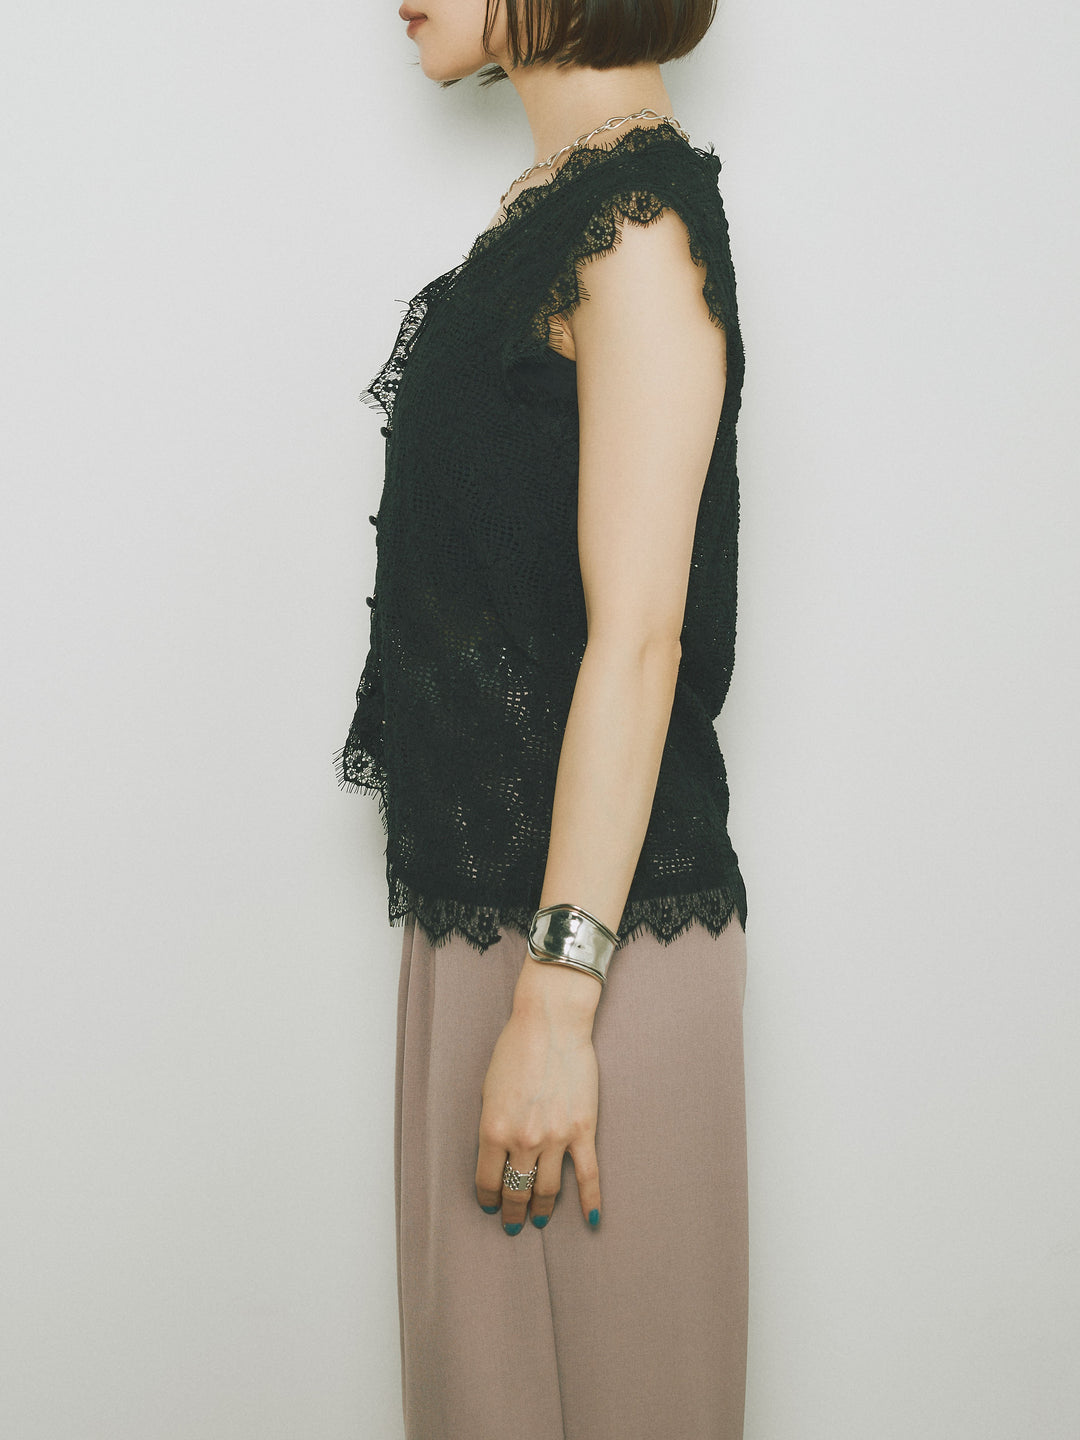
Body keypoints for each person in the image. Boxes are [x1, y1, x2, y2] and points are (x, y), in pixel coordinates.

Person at [335, 2, 751, 1435]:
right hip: (482, 934)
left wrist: (561, 1004)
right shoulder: (554, 215)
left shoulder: (639, 228)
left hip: (595, 958)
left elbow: (638, 640)